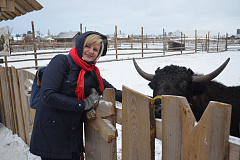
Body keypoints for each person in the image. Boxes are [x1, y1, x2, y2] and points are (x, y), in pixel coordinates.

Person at [30, 31, 122, 160]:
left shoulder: (91, 72)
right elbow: (48, 95)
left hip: (72, 134)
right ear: (80, 46)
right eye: (88, 46)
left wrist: (149, 99)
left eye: (95, 49)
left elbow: (111, 90)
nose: (91, 51)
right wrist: (83, 104)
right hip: (52, 133)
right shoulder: (61, 61)